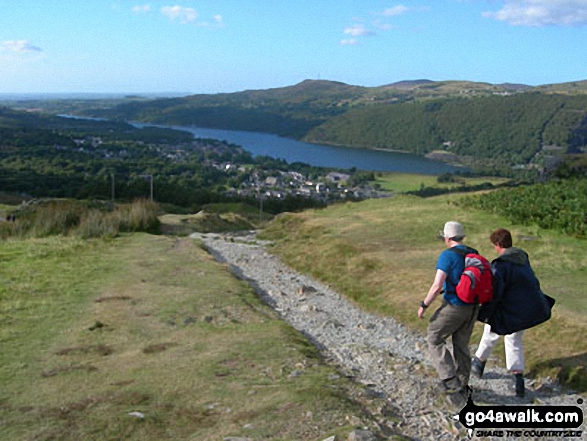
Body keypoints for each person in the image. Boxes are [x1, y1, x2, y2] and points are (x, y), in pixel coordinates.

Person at [471, 228, 553, 398]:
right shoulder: (522, 258)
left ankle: (478, 363)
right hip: (528, 306)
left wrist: (484, 310)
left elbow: (497, 290)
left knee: (491, 330)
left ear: (498, 244)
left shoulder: (502, 264)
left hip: (510, 307)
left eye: (495, 245)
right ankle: (518, 380)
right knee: (514, 339)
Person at [418, 221, 479, 402]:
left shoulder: (447, 256)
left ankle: (449, 378)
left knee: (434, 336)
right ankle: (463, 383)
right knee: (461, 343)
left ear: (447, 238)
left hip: (454, 304)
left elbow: (437, 285)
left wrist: (424, 305)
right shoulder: (474, 253)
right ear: (462, 236)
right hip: (473, 307)